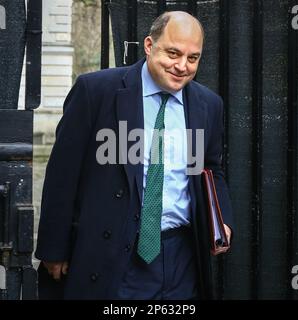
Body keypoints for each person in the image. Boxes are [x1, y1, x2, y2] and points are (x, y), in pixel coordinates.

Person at [35, 10, 233, 300]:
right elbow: (62, 175)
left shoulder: (208, 104)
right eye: (173, 53)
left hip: (181, 254)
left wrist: (222, 217)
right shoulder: (96, 91)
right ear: (150, 46)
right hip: (114, 249)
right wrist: (54, 249)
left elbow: (212, 169)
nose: (181, 66)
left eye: (192, 58)